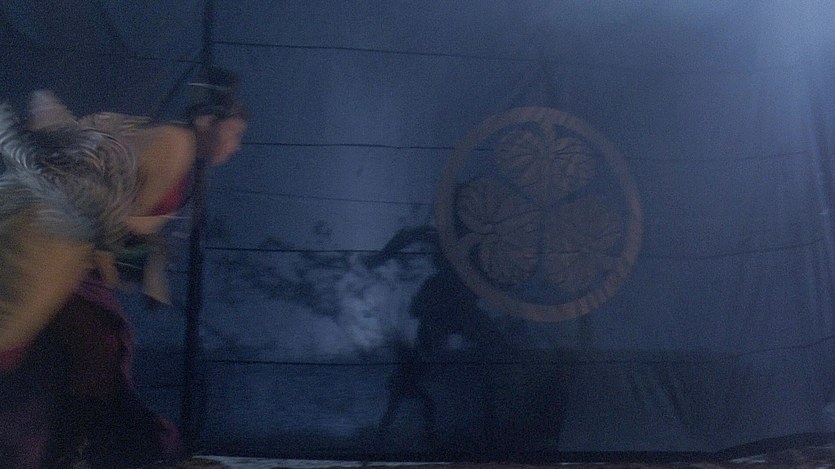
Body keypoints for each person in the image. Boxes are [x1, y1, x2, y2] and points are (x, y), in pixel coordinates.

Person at [0, 67, 247, 468]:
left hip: (68, 255)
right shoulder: (173, 145)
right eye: (234, 133)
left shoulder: (175, 148)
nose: (236, 146)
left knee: (80, 354)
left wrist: (142, 261)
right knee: (84, 349)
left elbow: (122, 220)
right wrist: (141, 261)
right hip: (53, 246)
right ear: (207, 122)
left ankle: (70, 450)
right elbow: (114, 218)